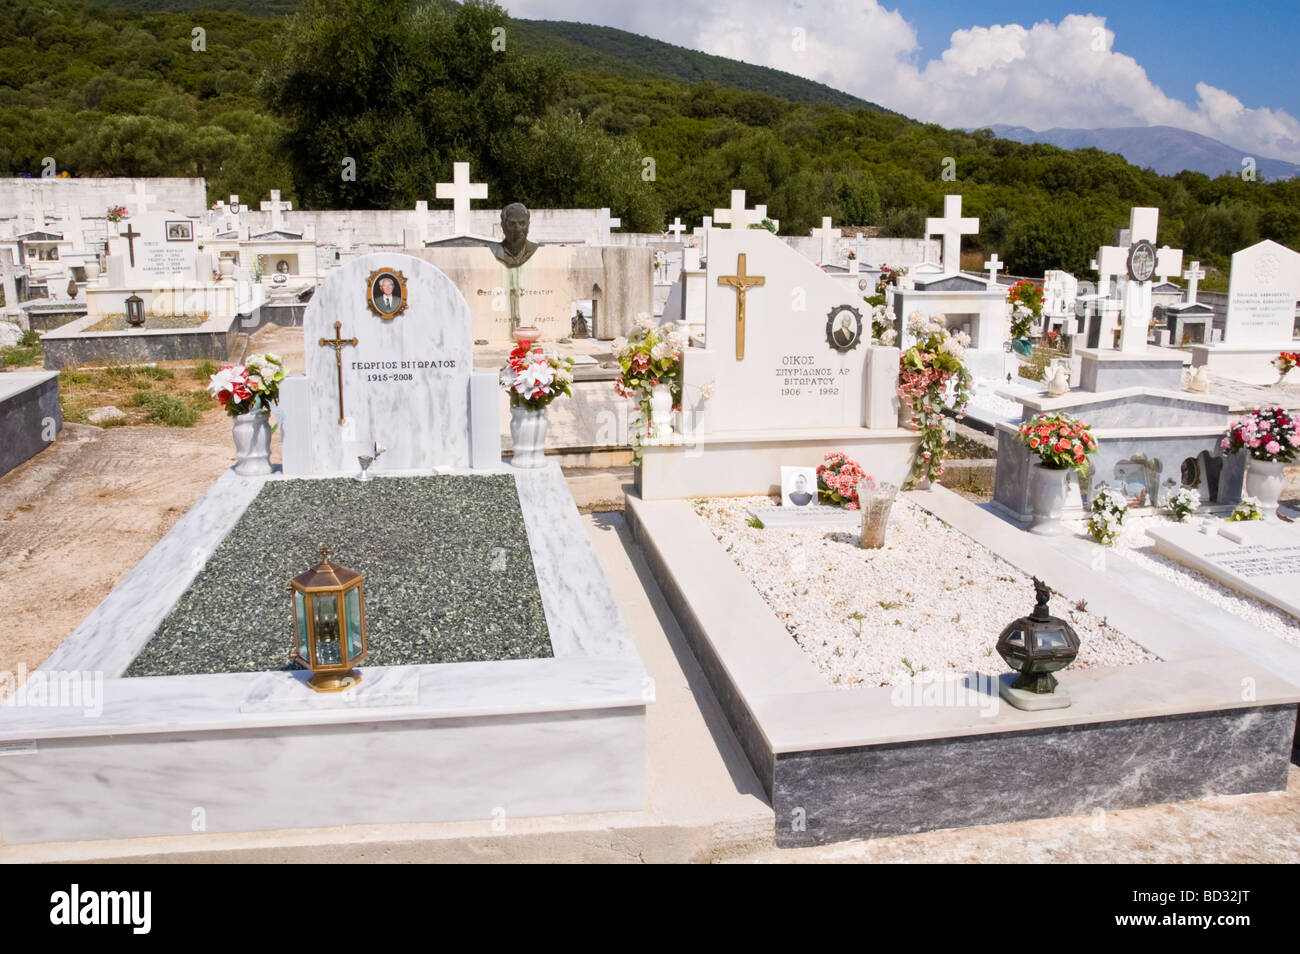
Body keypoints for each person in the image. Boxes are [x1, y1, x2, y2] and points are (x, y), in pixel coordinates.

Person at [491, 202, 540, 268]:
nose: (518, 229)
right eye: (512, 224)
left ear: (528, 225)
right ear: (503, 226)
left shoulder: (538, 250)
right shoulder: (493, 251)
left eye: (522, 223)